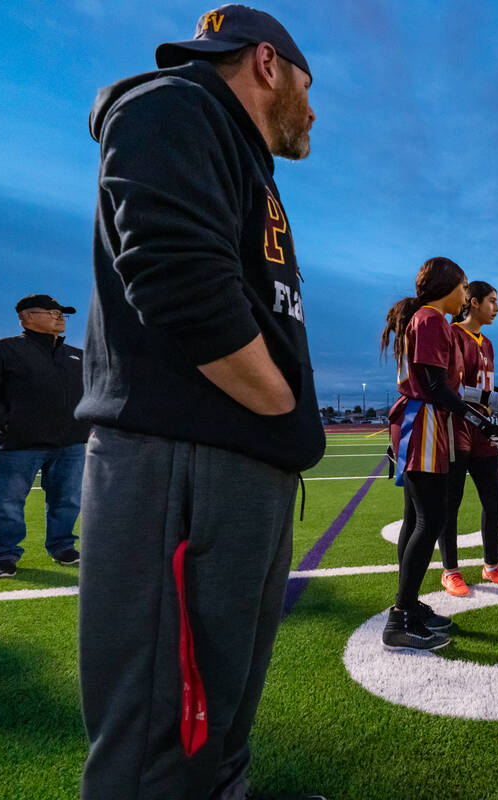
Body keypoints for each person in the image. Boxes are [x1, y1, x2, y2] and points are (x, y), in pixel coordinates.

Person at [78, 6, 327, 798]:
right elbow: (181, 283)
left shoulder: (245, 158)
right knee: (164, 736)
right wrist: (283, 409)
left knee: (215, 721)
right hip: (188, 465)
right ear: (266, 63)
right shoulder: (174, 106)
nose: (313, 110)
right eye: (308, 86)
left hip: (231, 467)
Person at [381, 259, 498, 648]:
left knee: (416, 518)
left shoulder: (425, 319)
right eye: (462, 287)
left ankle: (407, 604)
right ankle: (400, 617)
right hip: (423, 422)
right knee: (430, 518)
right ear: (448, 287)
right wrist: (482, 421)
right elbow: (437, 387)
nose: (464, 295)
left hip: (421, 419)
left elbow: (436, 384)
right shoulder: (432, 320)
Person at [0, 294, 88, 578]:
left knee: (67, 500)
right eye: (51, 312)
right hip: (19, 443)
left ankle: (63, 547)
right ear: (27, 317)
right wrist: (4, 423)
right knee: (8, 502)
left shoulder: (77, 356)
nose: (59, 316)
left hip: (70, 443)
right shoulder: (2, 349)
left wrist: (85, 423)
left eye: (62, 313)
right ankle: (4, 556)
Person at [438, 281, 498, 596]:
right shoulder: (452, 335)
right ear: (473, 302)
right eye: (492, 301)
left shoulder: (487, 343)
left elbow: (480, 388)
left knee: (494, 498)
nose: (497, 307)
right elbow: (453, 388)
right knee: (451, 502)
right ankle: (450, 571)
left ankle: (491, 566)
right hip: (457, 425)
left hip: (483, 428)